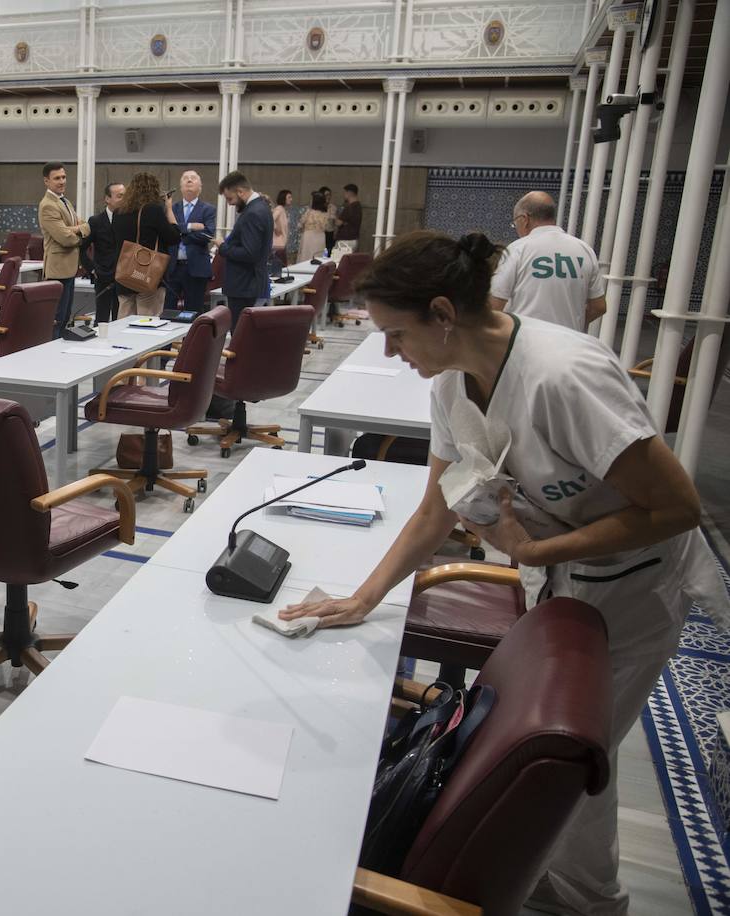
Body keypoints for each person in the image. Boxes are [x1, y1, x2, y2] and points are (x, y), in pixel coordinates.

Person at [280, 229, 728, 916]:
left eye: (397, 335)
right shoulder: (452, 383)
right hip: (565, 576)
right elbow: (435, 508)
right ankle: (561, 887)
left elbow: (676, 507)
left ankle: (591, 904)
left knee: (578, 766)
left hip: (635, 586)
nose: (392, 353)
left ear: (442, 313)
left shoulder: (562, 375)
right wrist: (364, 597)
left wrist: (541, 552)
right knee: (568, 763)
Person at [489, 191, 606, 331]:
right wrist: (575, 324)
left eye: (515, 224)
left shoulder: (518, 249)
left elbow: (495, 306)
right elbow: (599, 307)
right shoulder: (584, 250)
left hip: (527, 344)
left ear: (524, 219)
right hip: (569, 343)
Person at [111, 171, 179, 318]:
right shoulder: (153, 210)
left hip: (124, 274)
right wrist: (168, 209)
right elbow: (174, 237)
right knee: (147, 322)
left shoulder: (118, 212)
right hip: (147, 274)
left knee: (123, 322)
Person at [37, 161, 90, 337]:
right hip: (57, 270)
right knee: (57, 319)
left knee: (65, 316)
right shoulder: (48, 205)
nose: (62, 181)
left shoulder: (64, 201)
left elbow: (86, 225)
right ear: (47, 181)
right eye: (57, 178)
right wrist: (79, 235)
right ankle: (51, 355)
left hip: (69, 268)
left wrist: (75, 229)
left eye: (64, 177)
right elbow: (65, 238)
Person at [215, 171, 272, 326]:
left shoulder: (252, 213)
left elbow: (249, 253)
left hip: (245, 286)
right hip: (250, 284)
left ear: (240, 191)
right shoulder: (261, 207)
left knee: (241, 337)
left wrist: (223, 247)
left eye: (230, 198)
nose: (229, 204)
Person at [164, 170, 217, 313]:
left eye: (193, 178)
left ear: (200, 186)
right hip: (172, 268)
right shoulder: (170, 209)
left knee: (193, 312)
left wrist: (179, 230)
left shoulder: (208, 210)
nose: (189, 180)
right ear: (180, 187)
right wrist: (190, 226)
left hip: (196, 268)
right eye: (185, 178)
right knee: (168, 311)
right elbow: (167, 233)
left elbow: (207, 235)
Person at [81, 181, 124, 324]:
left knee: (121, 318)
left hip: (123, 277)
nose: (123, 199)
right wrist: (92, 269)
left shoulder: (128, 219)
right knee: (102, 318)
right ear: (107, 199)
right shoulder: (95, 221)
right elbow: (82, 248)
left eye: (125, 196)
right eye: (119, 196)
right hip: (103, 276)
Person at [298, 191, 333, 261]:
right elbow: (328, 228)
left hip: (308, 237)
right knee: (318, 257)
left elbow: (300, 225)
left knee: (306, 256)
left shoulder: (309, 212)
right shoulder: (326, 214)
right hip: (321, 237)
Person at [337, 184, 363, 252]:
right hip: (354, 239)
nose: (344, 195)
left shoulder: (349, 207)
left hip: (345, 240)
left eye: (345, 192)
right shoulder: (358, 206)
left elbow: (338, 223)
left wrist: (334, 218)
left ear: (349, 193)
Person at [271, 189, 292, 253]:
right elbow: (270, 220)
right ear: (283, 198)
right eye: (289, 197)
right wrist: (276, 228)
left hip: (281, 243)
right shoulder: (279, 209)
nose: (291, 199)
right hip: (278, 244)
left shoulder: (282, 209)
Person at [319, 186, 338, 251]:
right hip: (320, 233)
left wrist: (335, 233)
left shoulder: (333, 207)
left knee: (329, 252)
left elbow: (335, 222)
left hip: (330, 233)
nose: (328, 197)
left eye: (329, 195)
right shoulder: (317, 208)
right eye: (326, 195)